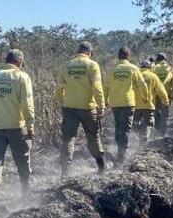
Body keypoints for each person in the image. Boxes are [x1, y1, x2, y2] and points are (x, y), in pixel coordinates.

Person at [0, 49, 35, 209]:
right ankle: (26, 194)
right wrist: (30, 125)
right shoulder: (21, 76)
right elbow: (28, 104)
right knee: (22, 161)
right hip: (16, 126)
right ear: (19, 61)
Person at [56, 41, 106, 176]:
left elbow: (59, 89)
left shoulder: (66, 65)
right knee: (93, 136)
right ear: (89, 53)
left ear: (78, 52)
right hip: (87, 107)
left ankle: (65, 171)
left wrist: (63, 103)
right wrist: (101, 105)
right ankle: (101, 165)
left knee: (68, 138)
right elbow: (97, 87)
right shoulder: (92, 65)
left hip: (69, 107)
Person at [104, 47, 147, 162]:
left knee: (118, 126)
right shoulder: (133, 68)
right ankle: (122, 155)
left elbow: (105, 87)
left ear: (118, 57)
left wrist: (104, 101)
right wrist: (145, 97)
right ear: (129, 56)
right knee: (125, 128)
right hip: (128, 103)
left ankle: (119, 151)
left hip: (115, 103)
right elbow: (142, 85)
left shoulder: (112, 70)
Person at [134, 58, 169, 142]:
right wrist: (165, 102)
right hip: (148, 105)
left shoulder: (135, 76)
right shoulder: (153, 76)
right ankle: (143, 140)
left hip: (135, 105)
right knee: (147, 123)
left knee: (135, 123)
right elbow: (162, 91)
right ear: (149, 67)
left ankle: (134, 138)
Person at [152, 52, 173, 136]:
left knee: (156, 114)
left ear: (157, 59)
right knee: (164, 115)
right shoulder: (171, 70)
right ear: (165, 60)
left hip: (156, 95)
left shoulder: (153, 68)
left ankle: (155, 132)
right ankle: (162, 134)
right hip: (166, 96)